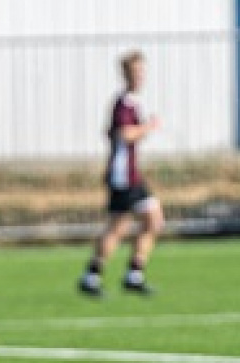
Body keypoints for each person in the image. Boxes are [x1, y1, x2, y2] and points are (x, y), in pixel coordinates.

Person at [79, 50, 164, 297]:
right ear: (127, 75)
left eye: (142, 72)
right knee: (122, 226)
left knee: (150, 220)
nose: (141, 77)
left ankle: (128, 274)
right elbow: (124, 134)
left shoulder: (131, 103)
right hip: (123, 176)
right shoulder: (123, 104)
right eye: (136, 72)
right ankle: (96, 275)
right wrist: (148, 127)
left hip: (130, 174)